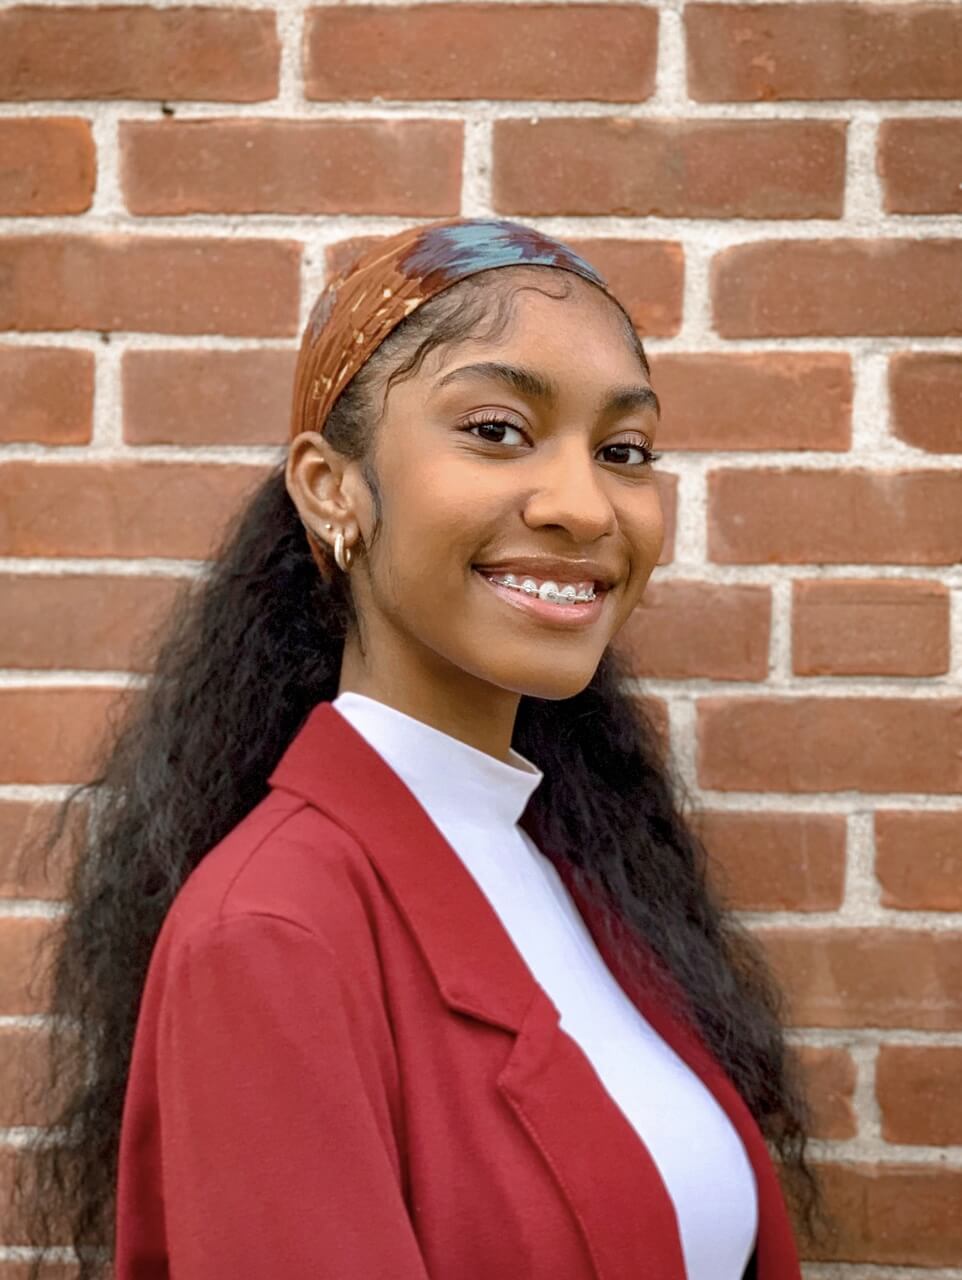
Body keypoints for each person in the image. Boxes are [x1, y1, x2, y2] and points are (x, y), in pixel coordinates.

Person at [10, 217, 824, 1279]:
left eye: (622, 451)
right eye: (495, 429)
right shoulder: (270, 933)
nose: (583, 505)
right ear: (329, 487)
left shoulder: (568, 869)